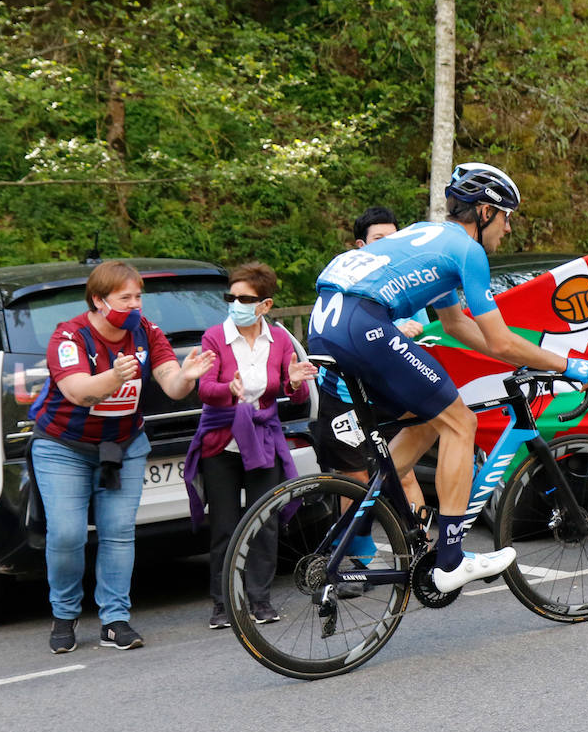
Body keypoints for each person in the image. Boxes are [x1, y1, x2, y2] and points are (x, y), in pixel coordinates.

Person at [307, 162, 588, 593]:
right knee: (462, 421)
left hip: (328, 324)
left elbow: (457, 326)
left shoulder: (429, 239)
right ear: (484, 212)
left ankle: (365, 514)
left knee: (431, 417)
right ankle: (451, 558)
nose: (508, 229)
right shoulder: (468, 251)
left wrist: (528, 357)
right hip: (361, 321)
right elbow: (500, 342)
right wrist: (567, 364)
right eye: (506, 217)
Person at [29, 260, 216, 654]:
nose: (135, 306)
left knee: (118, 533)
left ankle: (114, 620)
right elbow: (79, 391)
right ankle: (64, 614)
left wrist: (187, 374)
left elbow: (172, 385)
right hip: (64, 447)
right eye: (125, 298)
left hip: (125, 444)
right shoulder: (70, 336)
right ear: (98, 301)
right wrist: (115, 375)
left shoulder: (147, 332)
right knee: (67, 534)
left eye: (138, 297)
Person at [183, 263, 316, 630]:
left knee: (265, 522)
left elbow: (295, 391)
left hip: (262, 439)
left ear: (265, 304)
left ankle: (260, 600)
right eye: (231, 297)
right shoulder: (215, 337)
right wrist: (228, 389)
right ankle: (223, 604)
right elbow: (205, 388)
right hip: (222, 441)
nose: (235, 304)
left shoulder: (281, 340)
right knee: (224, 525)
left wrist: (293, 381)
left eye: (244, 298)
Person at [314, 206, 429, 510]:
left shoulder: (410, 282)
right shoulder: (342, 280)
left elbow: (427, 335)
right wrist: (391, 332)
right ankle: (354, 553)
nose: (388, 246)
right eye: (379, 239)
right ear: (360, 247)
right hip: (342, 393)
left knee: (403, 476)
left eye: (394, 238)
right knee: (355, 480)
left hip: (388, 394)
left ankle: (427, 553)